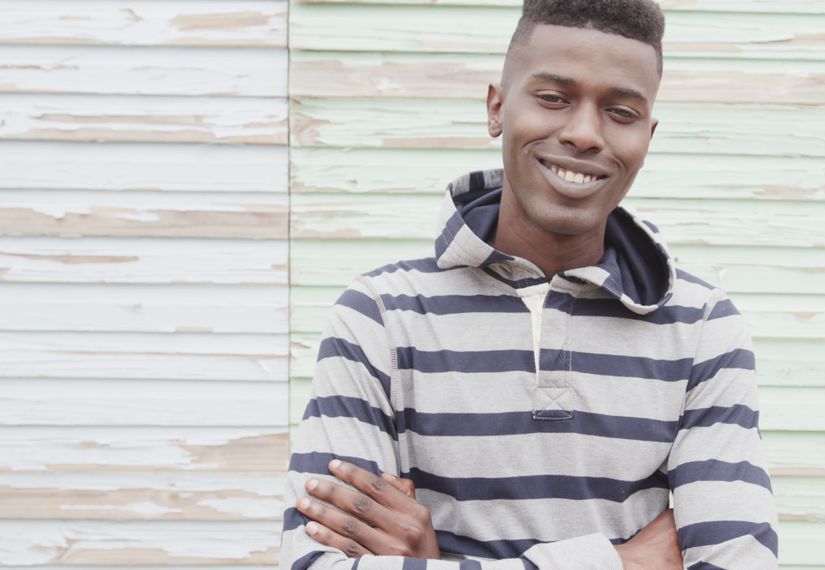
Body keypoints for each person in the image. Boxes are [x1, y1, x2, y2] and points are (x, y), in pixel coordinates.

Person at [279, 0, 779, 568]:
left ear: (648, 134)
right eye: (553, 98)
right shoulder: (380, 316)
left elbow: (736, 561)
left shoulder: (703, 327)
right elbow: (314, 564)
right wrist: (624, 562)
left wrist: (434, 562)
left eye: (621, 111)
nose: (585, 134)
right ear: (497, 107)